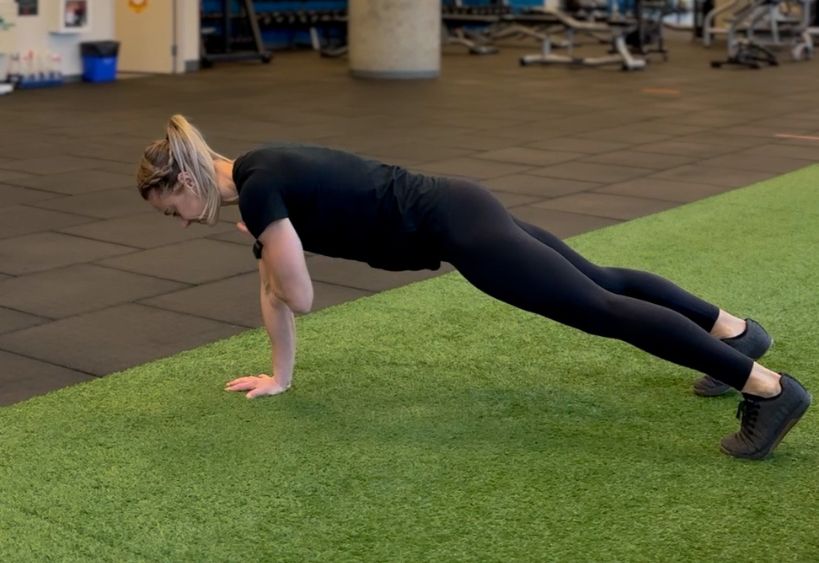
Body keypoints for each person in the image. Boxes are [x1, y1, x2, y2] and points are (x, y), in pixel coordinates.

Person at [137, 115, 811, 460]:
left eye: (172, 209)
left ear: (185, 181)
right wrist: (280, 376)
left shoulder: (260, 194)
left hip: (458, 232)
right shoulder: (260, 170)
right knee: (601, 281)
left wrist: (270, 240)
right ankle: (733, 332)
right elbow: (273, 291)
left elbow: (299, 295)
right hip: (461, 204)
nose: (181, 221)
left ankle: (766, 388)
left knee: (599, 307)